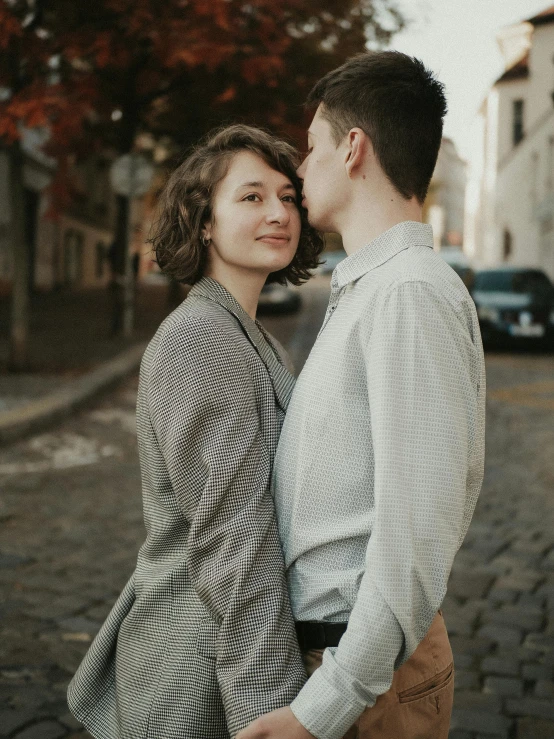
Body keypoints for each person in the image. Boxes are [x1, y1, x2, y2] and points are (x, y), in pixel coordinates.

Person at [237, 52, 486, 739]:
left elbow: (415, 539)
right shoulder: (373, 289)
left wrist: (322, 709)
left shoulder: (407, 294)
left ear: (353, 148)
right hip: (347, 662)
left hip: (366, 678)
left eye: (311, 146)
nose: (299, 169)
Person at [67, 124, 323, 738]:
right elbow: (233, 542)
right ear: (203, 221)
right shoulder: (201, 340)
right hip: (196, 664)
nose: (278, 212)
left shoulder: (248, 333)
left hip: (214, 647)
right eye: (252, 197)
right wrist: (268, 706)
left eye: (288, 197)